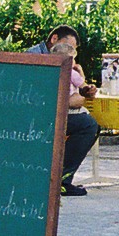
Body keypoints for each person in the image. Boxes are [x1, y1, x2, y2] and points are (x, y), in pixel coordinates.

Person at [29, 25, 99, 196]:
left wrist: (85, 90)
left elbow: (76, 86)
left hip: (52, 112)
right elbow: (36, 94)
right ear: (54, 39)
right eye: (68, 47)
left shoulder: (60, 59)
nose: (70, 53)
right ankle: (60, 180)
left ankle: (59, 178)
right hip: (38, 115)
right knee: (88, 126)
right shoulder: (34, 57)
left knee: (89, 124)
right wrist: (68, 101)